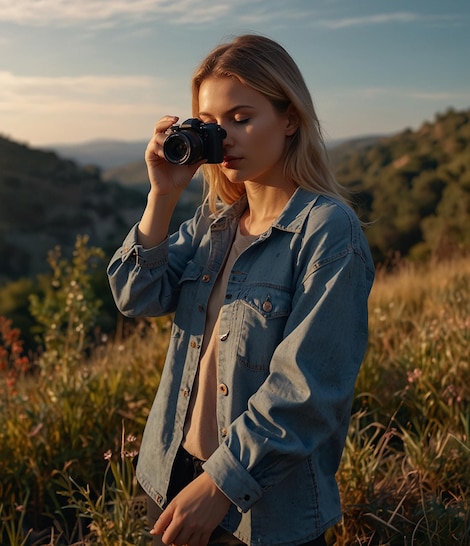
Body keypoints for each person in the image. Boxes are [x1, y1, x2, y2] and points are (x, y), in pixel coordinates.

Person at [107, 34, 375, 546]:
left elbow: (308, 391)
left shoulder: (326, 230)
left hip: (259, 508)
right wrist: (162, 194)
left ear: (290, 118)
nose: (224, 136)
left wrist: (219, 486)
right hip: (171, 478)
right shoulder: (216, 223)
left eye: (241, 118)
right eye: (211, 123)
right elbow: (134, 295)